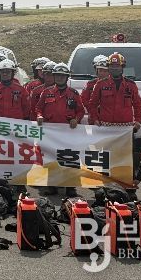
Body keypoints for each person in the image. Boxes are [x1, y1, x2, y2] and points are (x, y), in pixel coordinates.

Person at [35, 63, 84, 197]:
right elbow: (38, 108)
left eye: (63, 76)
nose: (60, 78)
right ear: (54, 76)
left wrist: (76, 119)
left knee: (70, 158)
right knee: (51, 158)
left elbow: (80, 110)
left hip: (68, 133)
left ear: (67, 77)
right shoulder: (46, 92)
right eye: (58, 75)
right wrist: (39, 116)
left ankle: (70, 187)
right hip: (51, 133)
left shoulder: (73, 93)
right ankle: (52, 186)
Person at [89, 52, 141, 168]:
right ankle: (104, 177)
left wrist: (138, 120)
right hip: (105, 127)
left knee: (125, 156)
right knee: (105, 154)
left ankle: (126, 178)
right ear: (108, 67)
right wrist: (95, 119)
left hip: (125, 129)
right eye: (112, 66)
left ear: (122, 67)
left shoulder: (131, 85)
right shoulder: (100, 84)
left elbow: (137, 104)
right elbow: (92, 104)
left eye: (117, 66)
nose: (115, 68)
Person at [81, 54, 109, 124]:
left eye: (105, 71)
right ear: (97, 71)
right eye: (100, 70)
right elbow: (83, 99)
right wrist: (93, 110)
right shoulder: (90, 84)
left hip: (109, 119)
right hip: (93, 119)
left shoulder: (114, 85)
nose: (102, 73)